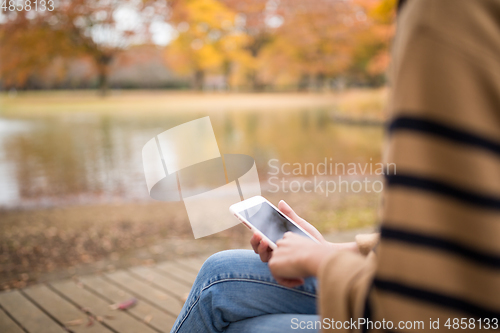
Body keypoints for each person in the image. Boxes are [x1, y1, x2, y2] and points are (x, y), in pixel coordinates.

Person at [171, 0, 500, 331]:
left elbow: (425, 304)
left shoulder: (444, 14)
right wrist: (334, 250)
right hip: (395, 275)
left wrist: (322, 261)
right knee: (219, 274)